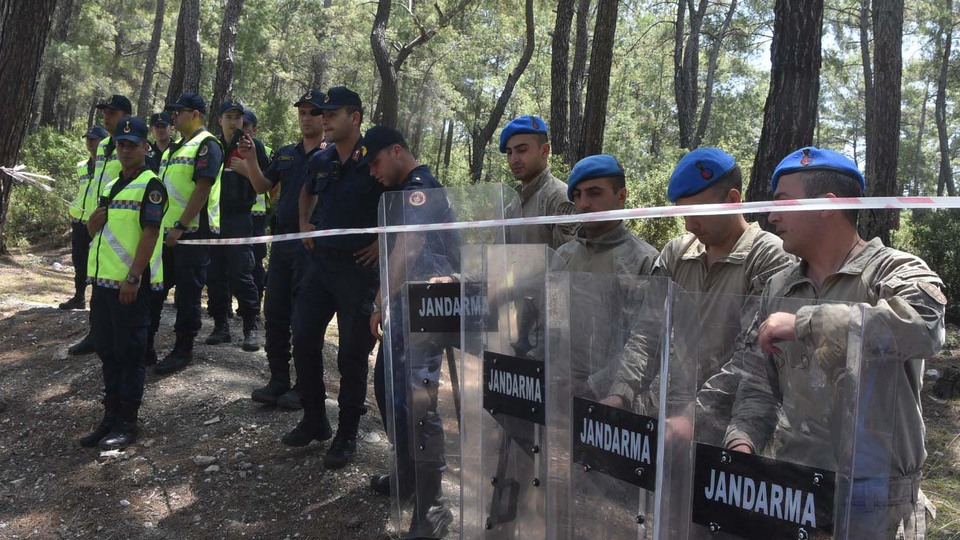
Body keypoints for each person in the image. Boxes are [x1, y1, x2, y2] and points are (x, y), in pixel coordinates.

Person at [724, 147, 944, 538]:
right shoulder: (778, 286)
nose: (771, 216)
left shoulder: (894, 270)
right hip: (794, 492)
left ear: (827, 205)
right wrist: (742, 442)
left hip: (876, 503)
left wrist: (807, 321)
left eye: (782, 202)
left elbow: (923, 328)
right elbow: (758, 382)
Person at [603, 148, 793, 440]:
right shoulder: (676, 254)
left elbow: (753, 354)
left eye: (697, 213)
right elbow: (648, 333)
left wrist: (694, 416)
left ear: (732, 200)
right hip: (669, 415)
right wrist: (621, 393)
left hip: (737, 428)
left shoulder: (769, 257)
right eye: (682, 214)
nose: (689, 225)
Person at [283, 86, 382, 470]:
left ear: (354, 117)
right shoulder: (322, 159)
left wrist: (380, 243)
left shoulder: (373, 161)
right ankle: (314, 419)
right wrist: (306, 224)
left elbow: (401, 205)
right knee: (304, 337)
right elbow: (306, 194)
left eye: (332, 113)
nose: (324, 119)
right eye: (322, 113)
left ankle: (347, 434)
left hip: (358, 271)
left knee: (352, 355)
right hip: (320, 266)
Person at [364, 125, 456, 538]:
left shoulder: (420, 187)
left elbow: (411, 244)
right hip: (406, 305)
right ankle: (407, 475)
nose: (372, 172)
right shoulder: (403, 191)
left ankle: (432, 503)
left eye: (376, 161)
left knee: (418, 403)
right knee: (388, 390)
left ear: (397, 151)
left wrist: (382, 297)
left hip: (425, 306)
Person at [234, 89, 328, 410]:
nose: (305, 117)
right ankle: (278, 379)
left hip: (314, 251)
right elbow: (261, 186)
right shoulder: (287, 153)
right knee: (274, 313)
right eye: (302, 112)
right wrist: (250, 162)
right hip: (282, 246)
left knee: (304, 321)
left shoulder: (333, 155)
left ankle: (305, 385)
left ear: (324, 116)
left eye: (313, 112)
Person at [79, 116, 167, 450]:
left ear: (146, 147)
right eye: (120, 144)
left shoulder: (151, 185)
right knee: (107, 350)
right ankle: (109, 417)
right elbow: (98, 233)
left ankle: (128, 422)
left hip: (129, 286)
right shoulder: (112, 184)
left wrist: (133, 277)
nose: (125, 150)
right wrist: (91, 223)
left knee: (130, 354)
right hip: (102, 285)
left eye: (132, 145)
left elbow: (150, 233)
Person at [150, 93, 223, 375]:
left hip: (192, 232)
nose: (173, 117)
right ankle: (146, 346)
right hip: (166, 233)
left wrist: (181, 226)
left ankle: (183, 350)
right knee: (156, 288)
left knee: (187, 294)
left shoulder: (207, 145)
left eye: (178, 112)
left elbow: (202, 188)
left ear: (195, 114)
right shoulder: (172, 149)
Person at [67, 94, 131, 356]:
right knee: (97, 279)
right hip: (95, 222)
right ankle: (96, 334)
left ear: (126, 115)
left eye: (112, 112)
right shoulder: (105, 144)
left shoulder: (132, 144)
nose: (106, 116)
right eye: (105, 112)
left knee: (117, 283)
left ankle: (121, 339)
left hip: (120, 225)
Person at [203, 99, 264, 352]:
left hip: (240, 217)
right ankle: (221, 325)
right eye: (228, 117)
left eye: (238, 117)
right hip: (212, 218)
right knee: (214, 273)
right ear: (220, 120)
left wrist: (246, 169)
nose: (233, 122)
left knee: (241, 272)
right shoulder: (211, 146)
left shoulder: (252, 146)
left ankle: (250, 325)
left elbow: (266, 183)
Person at [557, 154, 658, 274]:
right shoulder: (563, 256)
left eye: (594, 193)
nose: (583, 204)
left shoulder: (645, 260)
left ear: (621, 196)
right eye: (577, 195)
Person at [499, 114, 576, 248]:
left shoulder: (558, 198)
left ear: (544, 150)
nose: (513, 159)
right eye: (509, 152)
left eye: (522, 150)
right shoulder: (512, 206)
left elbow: (569, 261)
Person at [60, 125, 108, 311]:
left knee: (97, 260)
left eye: (94, 139)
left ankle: (98, 299)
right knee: (78, 259)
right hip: (79, 220)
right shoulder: (81, 166)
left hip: (97, 221)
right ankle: (79, 296)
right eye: (88, 138)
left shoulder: (108, 167)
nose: (90, 142)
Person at [242, 108, 270, 303]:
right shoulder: (227, 146)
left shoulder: (263, 149)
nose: (242, 130)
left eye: (246, 125)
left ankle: (256, 299)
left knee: (256, 259)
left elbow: (272, 183)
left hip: (258, 213)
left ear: (255, 129)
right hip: (235, 213)